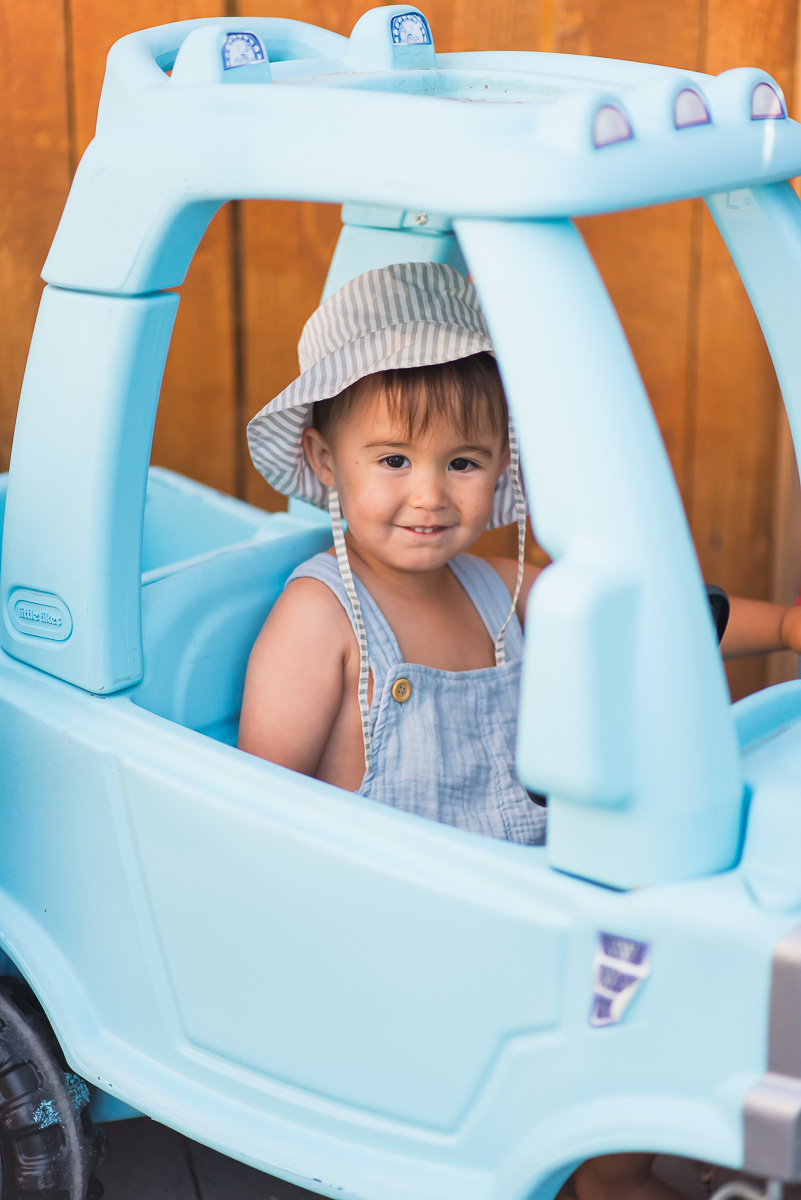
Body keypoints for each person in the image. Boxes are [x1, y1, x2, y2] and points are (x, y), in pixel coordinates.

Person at [240, 261, 801, 1200]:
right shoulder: (321, 617)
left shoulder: (492, 586)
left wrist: (781, 626)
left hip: (526, 902)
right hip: (395, 935)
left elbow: (649, 620)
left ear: (501, 463)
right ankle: (600, 1167)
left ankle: (633, 1155)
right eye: (393, 461)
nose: (430, 495)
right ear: (326, 460)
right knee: (607, 1008)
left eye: (462, 462)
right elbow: (255, 814)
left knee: (672, 951)